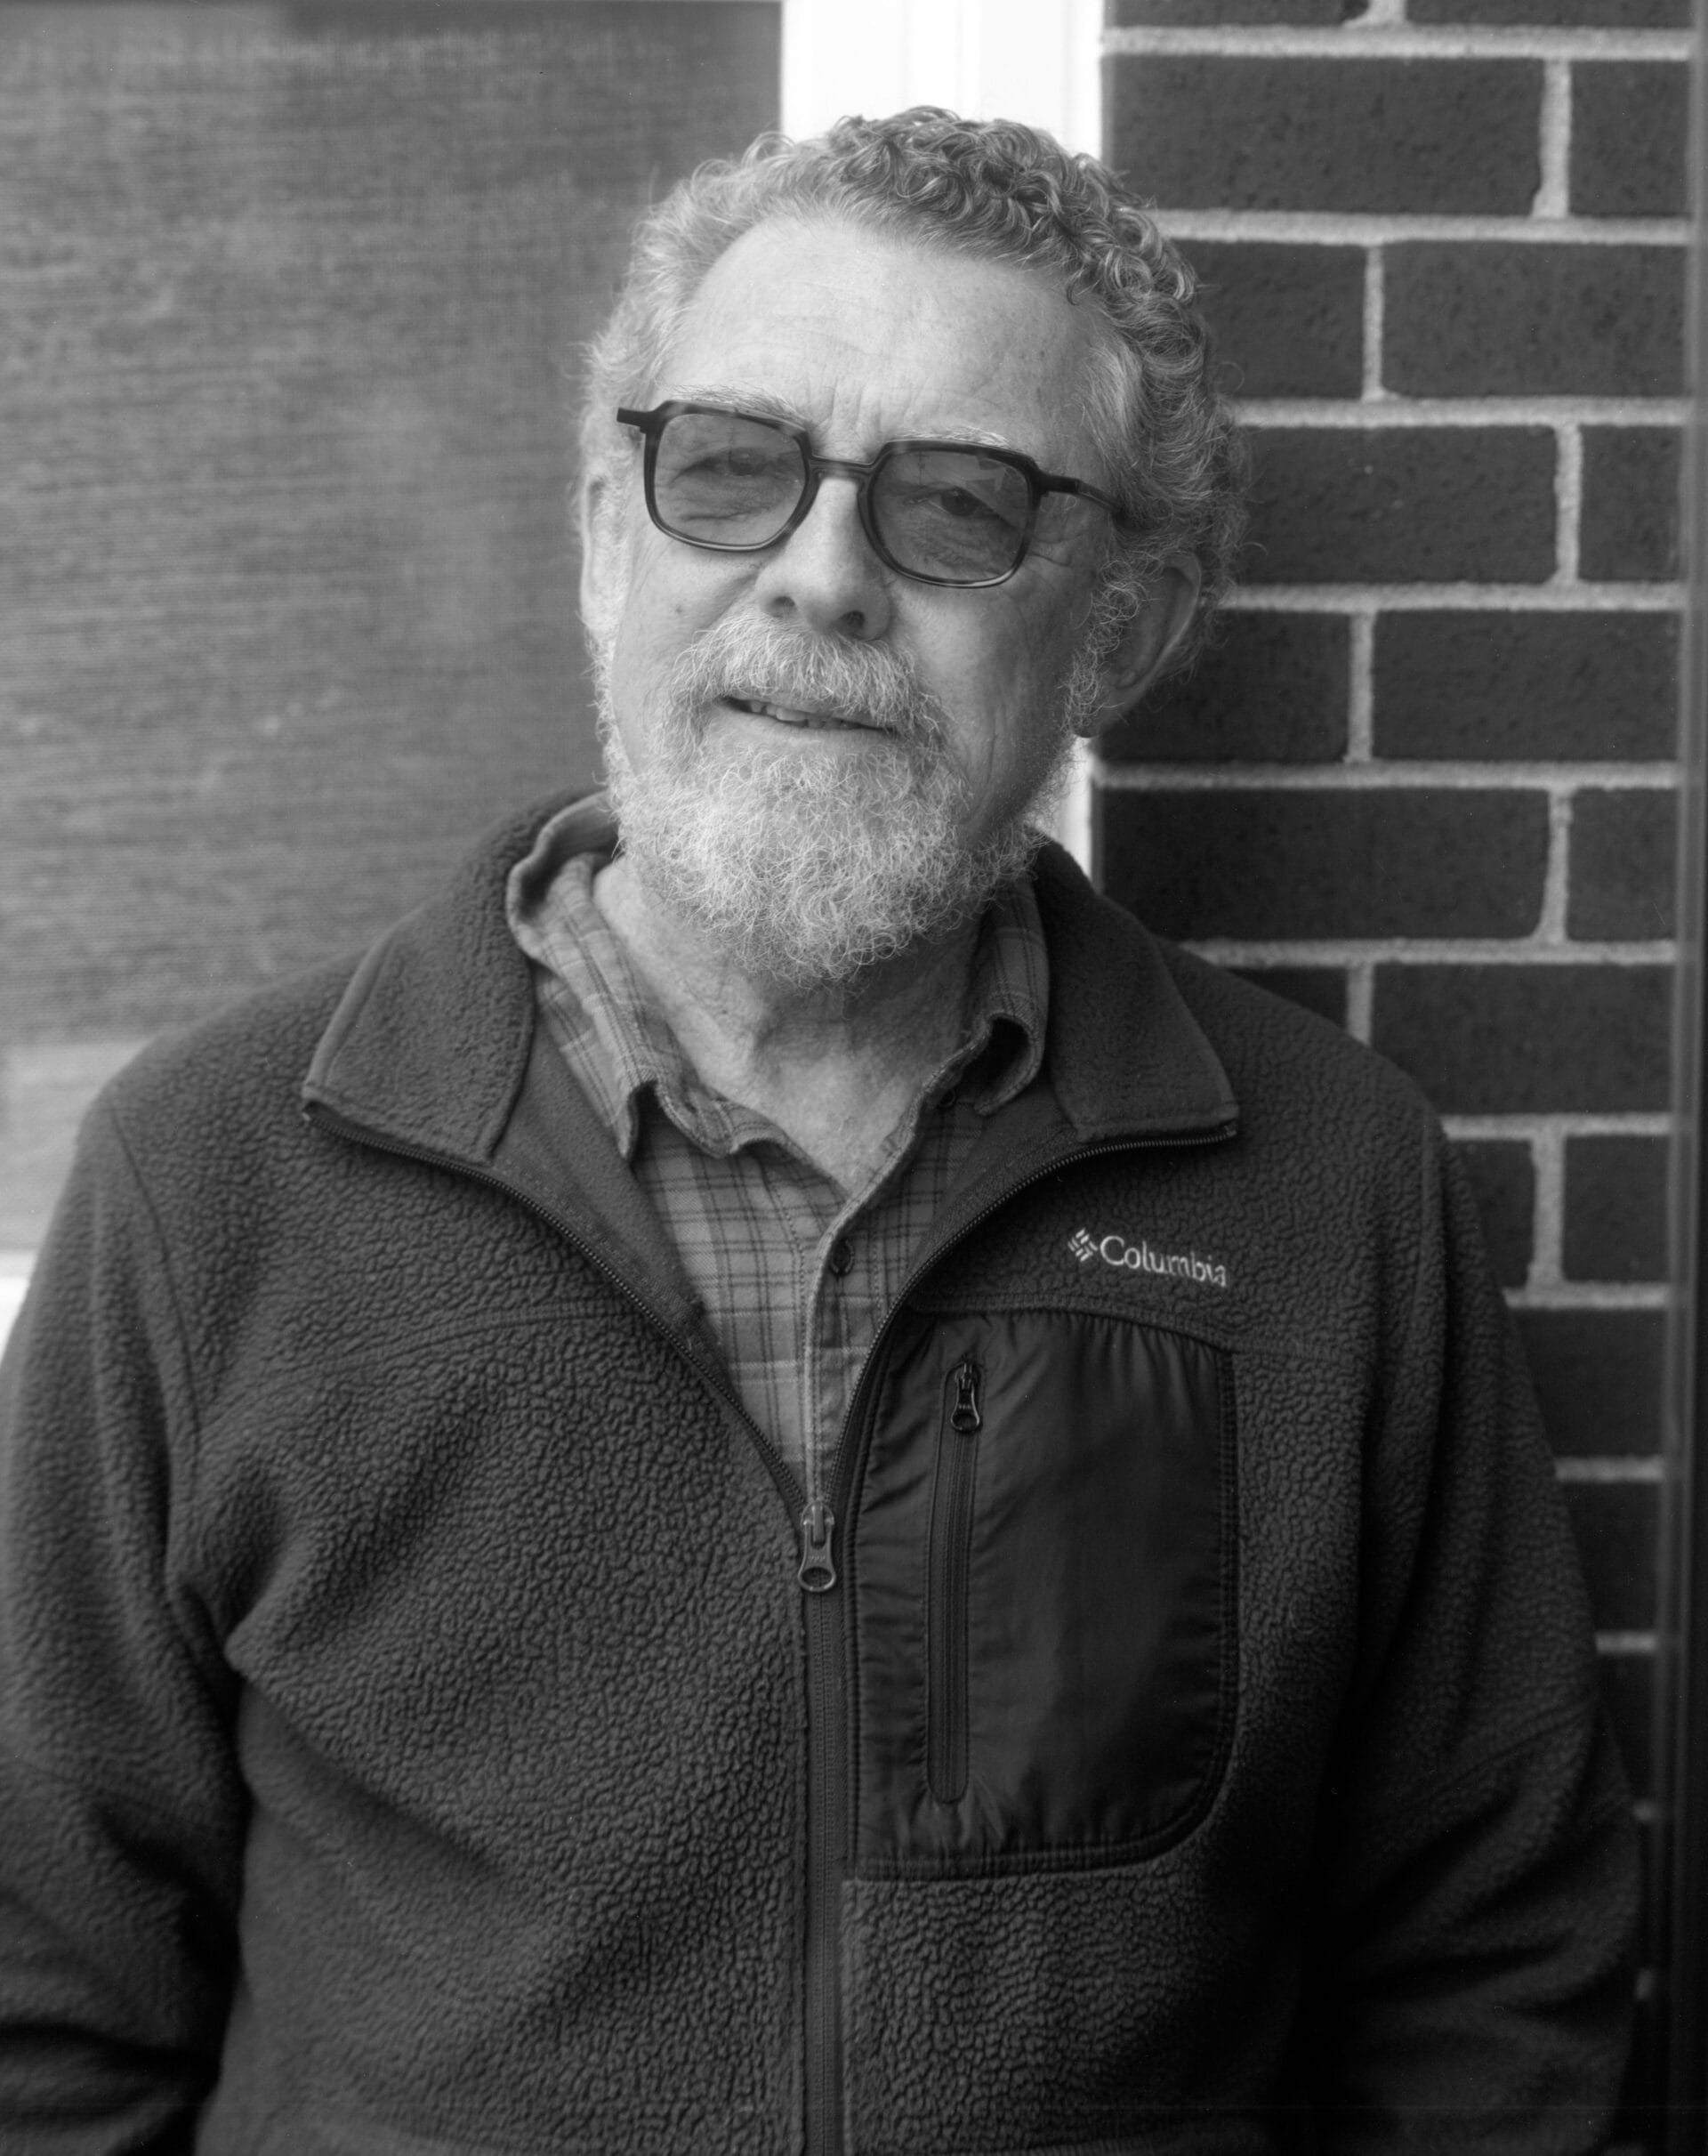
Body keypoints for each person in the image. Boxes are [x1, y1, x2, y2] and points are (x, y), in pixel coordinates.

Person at [0, 107, 1638, 2155]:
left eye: (955, 505)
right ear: (609, 529)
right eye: (730, 469)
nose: (823, 577)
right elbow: (39, 2005)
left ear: (1116, 629)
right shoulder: (218, 1178)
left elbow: (1497, 1972)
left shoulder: (1325, 1193)